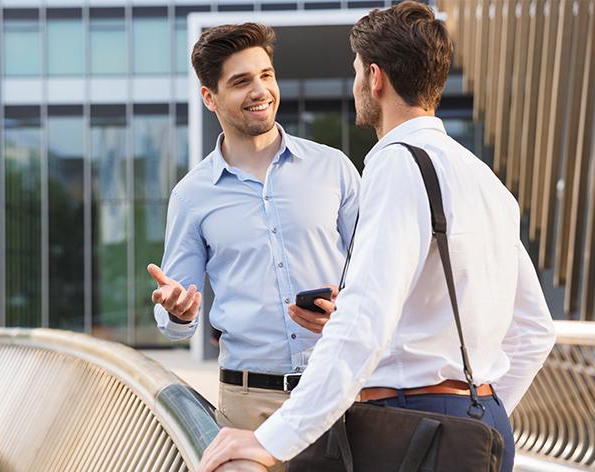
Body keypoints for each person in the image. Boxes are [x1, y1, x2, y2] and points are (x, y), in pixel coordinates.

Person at [197, 3, 557, 472]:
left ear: (375, 77)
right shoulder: (482, 176)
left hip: (412, 430)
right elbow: (534, 330)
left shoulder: (397, 163)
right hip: (480, 423)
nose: (353, 86)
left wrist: (272, 442)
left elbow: (365, 323)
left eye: (354, 73)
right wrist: (479, 418)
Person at [148, 21, 360, 469]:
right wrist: (177, 312)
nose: (260, 89)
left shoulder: (334, 169)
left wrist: (350, 309)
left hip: (336, 391)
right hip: (246, 406)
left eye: (266, 75)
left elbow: (377, 276)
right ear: (210, 97)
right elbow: (175, 311)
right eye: (241, 81)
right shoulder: (192, 196)